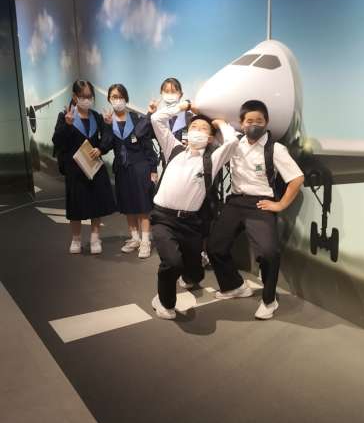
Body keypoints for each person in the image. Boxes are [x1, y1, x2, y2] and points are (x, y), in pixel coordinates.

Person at [207, 100, 304, 320]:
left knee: (269, 253)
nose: (254, 125)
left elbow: (297, 178)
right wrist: (217, 121)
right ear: (241, 123)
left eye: (259, 121)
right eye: (249, 121)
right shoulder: (234, 143)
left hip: (261, 203)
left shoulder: (275, 149)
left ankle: (269, 300)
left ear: (266, 122)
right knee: (214, 246)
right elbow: (214, 124)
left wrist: (280, 204)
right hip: (235, 201)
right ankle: (234, 286)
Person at [149, 99, 238, 320]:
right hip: (163, 217)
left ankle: (191, 276)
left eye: (203, 129)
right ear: (187, 132)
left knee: (194, 270)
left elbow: (232, 143)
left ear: (210, 138)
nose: (197, 131)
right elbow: (156, 119)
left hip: (190, 223)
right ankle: (164, 302)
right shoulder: (173, 148)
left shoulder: (212, 159)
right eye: (193, 127)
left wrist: (220, 123)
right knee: (172, 263)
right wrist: (184, 106)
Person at [52, 79, 115, 254]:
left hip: (94, 167)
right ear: (75, 97)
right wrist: (67, 125)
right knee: (76, 205)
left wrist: (101, 148)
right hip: (75, 169)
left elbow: (107, 138)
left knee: (96, 203)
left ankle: (95, 238)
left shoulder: (96, 117)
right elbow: (57, 140)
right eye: (83, 96)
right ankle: (76, 239)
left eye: (89, 96)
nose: (86, 100)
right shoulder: (65, 116)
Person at [102, 83, 158, 257]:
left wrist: (153, 168)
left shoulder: (135, 119)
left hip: (140, 168)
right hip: (122, 169)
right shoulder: (108, 121)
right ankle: (134, 238)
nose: (117, 100)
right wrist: (107, 126)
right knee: (128, 206)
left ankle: (145, 241)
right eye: (114, 97)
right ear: (109, 99)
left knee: (143, 206)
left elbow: (148, 146)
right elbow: (105, 146)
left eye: (120, 97)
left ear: (126, 98)